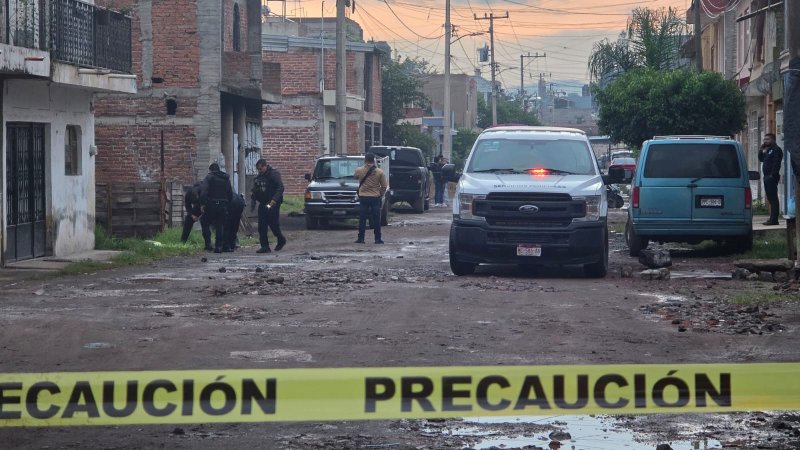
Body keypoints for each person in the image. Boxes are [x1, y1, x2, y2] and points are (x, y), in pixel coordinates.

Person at [251, 158, 286, 253]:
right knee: (262, 226)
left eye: (260, 169)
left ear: (265, 166)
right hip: (263, 203)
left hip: (272, 204)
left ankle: (281, 239)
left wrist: (274, 200)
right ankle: (265, 246)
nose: (259, 171)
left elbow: (280, 187)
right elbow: (256, 190)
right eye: (258, 169)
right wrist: (253, 198)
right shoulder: (259, 177)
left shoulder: (273, 174)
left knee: (273, 224)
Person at [354, 153, 388, 244]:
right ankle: (377, 238)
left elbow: (355, 177)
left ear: (365, 160)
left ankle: (361, 238)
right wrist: (380, 194)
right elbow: (384, 186)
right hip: (375, 197)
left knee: (362, 218)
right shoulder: (380, 172)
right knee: (376, 218)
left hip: (363, 197)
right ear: (374, 160)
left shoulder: (359, 170)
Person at [200, 162, 232, 253]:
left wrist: (203, 204)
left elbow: (203, 192)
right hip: (223, 205)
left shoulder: (209, 177)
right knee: (220, 225)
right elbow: (230, 194)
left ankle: (208, 245)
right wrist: (227, 204)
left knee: (205, 222)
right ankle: (219, 246)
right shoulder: (226, 178)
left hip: (211, 205)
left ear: (210, 170)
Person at [758, 133, 783, 226]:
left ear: (773, 140)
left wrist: (773, 175)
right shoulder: (768, 150)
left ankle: (774, 220)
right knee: (770, 198)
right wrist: (761, 151)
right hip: (767, 177)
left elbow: (777, 163)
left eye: (767, 139)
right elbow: (761, 159)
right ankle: (772, 218)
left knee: (773, 199)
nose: (765, 141)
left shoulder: (776, 150)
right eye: (764, 139)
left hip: (771, 177)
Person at [180, 182, 212, 250]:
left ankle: (208, 244)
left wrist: (202, 214)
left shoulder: (204, 191)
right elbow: (187, 206)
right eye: (195, 196)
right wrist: (192, 215)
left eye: (197, 195)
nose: (196, 197)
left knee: (204, 222)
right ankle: (182, 242)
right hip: (197, 207)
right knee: (188, 219)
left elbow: (209, 203)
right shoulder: (188, 194)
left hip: (208, 206)